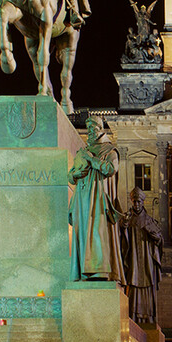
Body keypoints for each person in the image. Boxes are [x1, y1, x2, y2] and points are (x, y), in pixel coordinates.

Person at [69, 117, 122, 281]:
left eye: (92, 128)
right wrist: (74, 175)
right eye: (88, 128)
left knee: (97, 232)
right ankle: (82, 271)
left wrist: (92, 159)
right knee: (81, 233)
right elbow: (71, 176)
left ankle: (100, 270)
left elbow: (111, 169)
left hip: (98, 198)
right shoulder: (82, 151)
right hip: (81, 198)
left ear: (100, 128)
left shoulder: (110, 151)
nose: (89, 132)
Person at [119, 187, 164, 324]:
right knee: (132, 284)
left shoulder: (150, 221)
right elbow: (120, 239)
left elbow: (159, 240)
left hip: (146, 260)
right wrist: (124, 227)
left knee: (148, 284)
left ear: (143, 202)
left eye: (138, 201)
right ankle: (133, 316)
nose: (136, 204)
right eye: (134, 202)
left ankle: (149, 317)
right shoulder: (127, 219)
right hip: (133, 259)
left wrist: (155, 236)